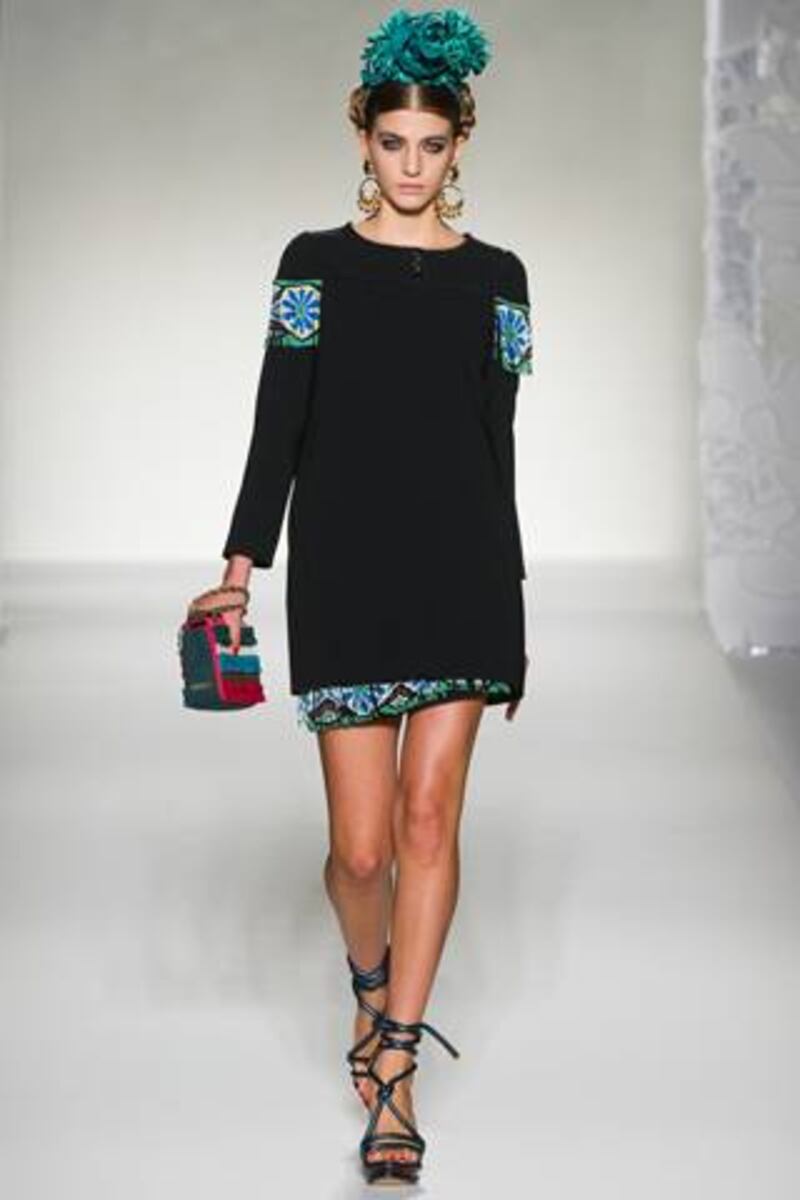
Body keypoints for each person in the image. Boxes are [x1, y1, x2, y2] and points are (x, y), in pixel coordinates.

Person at [188, 7, 533, 1186]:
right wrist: (239, 568)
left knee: (430, 820)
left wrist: (513, 607)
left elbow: (496, 445)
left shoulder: (498, 280)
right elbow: (276, 422)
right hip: (342, 573)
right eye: (392, 144)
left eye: (430, 147)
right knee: (359, 851)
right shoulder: (312, 266)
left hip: (462, 578)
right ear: (363, 138)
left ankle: (394, 1067)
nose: (410, 166)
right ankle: (369, 983)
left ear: (457, 146)